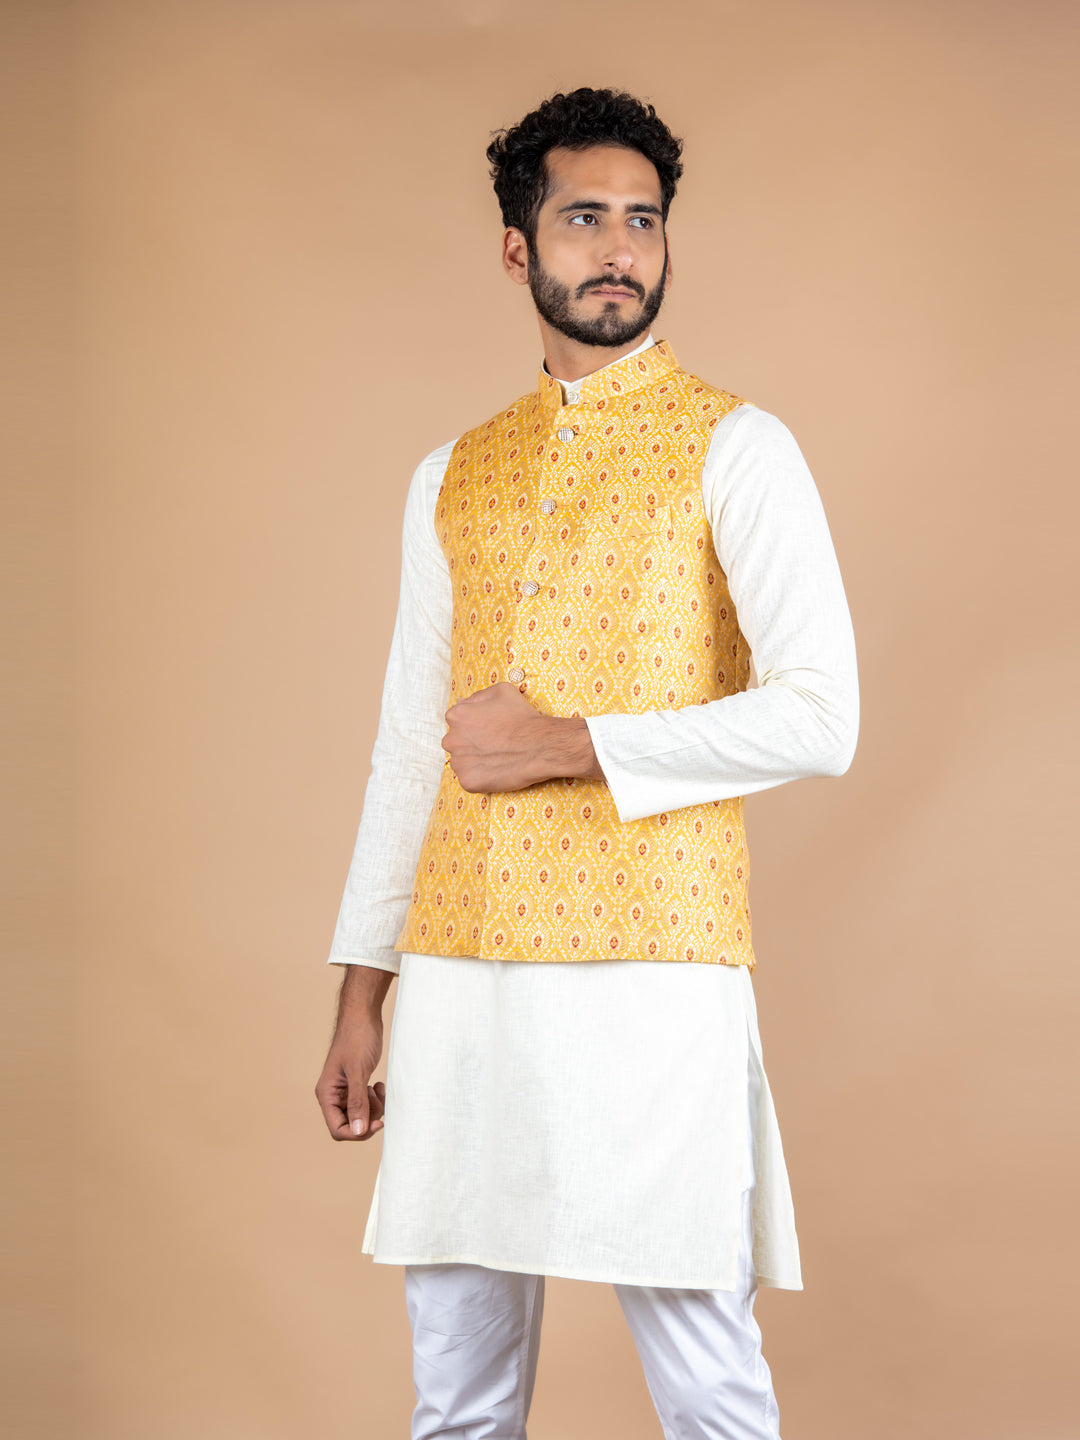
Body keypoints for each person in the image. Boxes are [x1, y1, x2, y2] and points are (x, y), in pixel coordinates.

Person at [315, 87, 858, 1439]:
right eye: (584, 218)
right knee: (457, 1393)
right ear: (520, 249)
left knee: (709, 1384)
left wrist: (567, 745)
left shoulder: (739, 446)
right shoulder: (452, 474)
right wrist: (362, 991)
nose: (620, 248)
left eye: (643, 221)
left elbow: (820, 715)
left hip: (654, 961)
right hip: (460, 963)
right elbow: (411, 748)